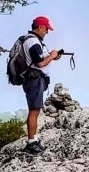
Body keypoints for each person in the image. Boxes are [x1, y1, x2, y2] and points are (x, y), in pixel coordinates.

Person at [20, 15, 62, 154]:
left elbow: (39, 58)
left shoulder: (31, 41)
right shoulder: (33, 42)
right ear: (40, 27)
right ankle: (31, 142)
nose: (47, 32)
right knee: (34, 111)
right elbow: (40, 63)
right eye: (46, 29)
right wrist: (51, 56)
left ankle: (33, 140)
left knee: (35, 110)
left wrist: (51, 55)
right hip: (34, 80)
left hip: (34, 80)